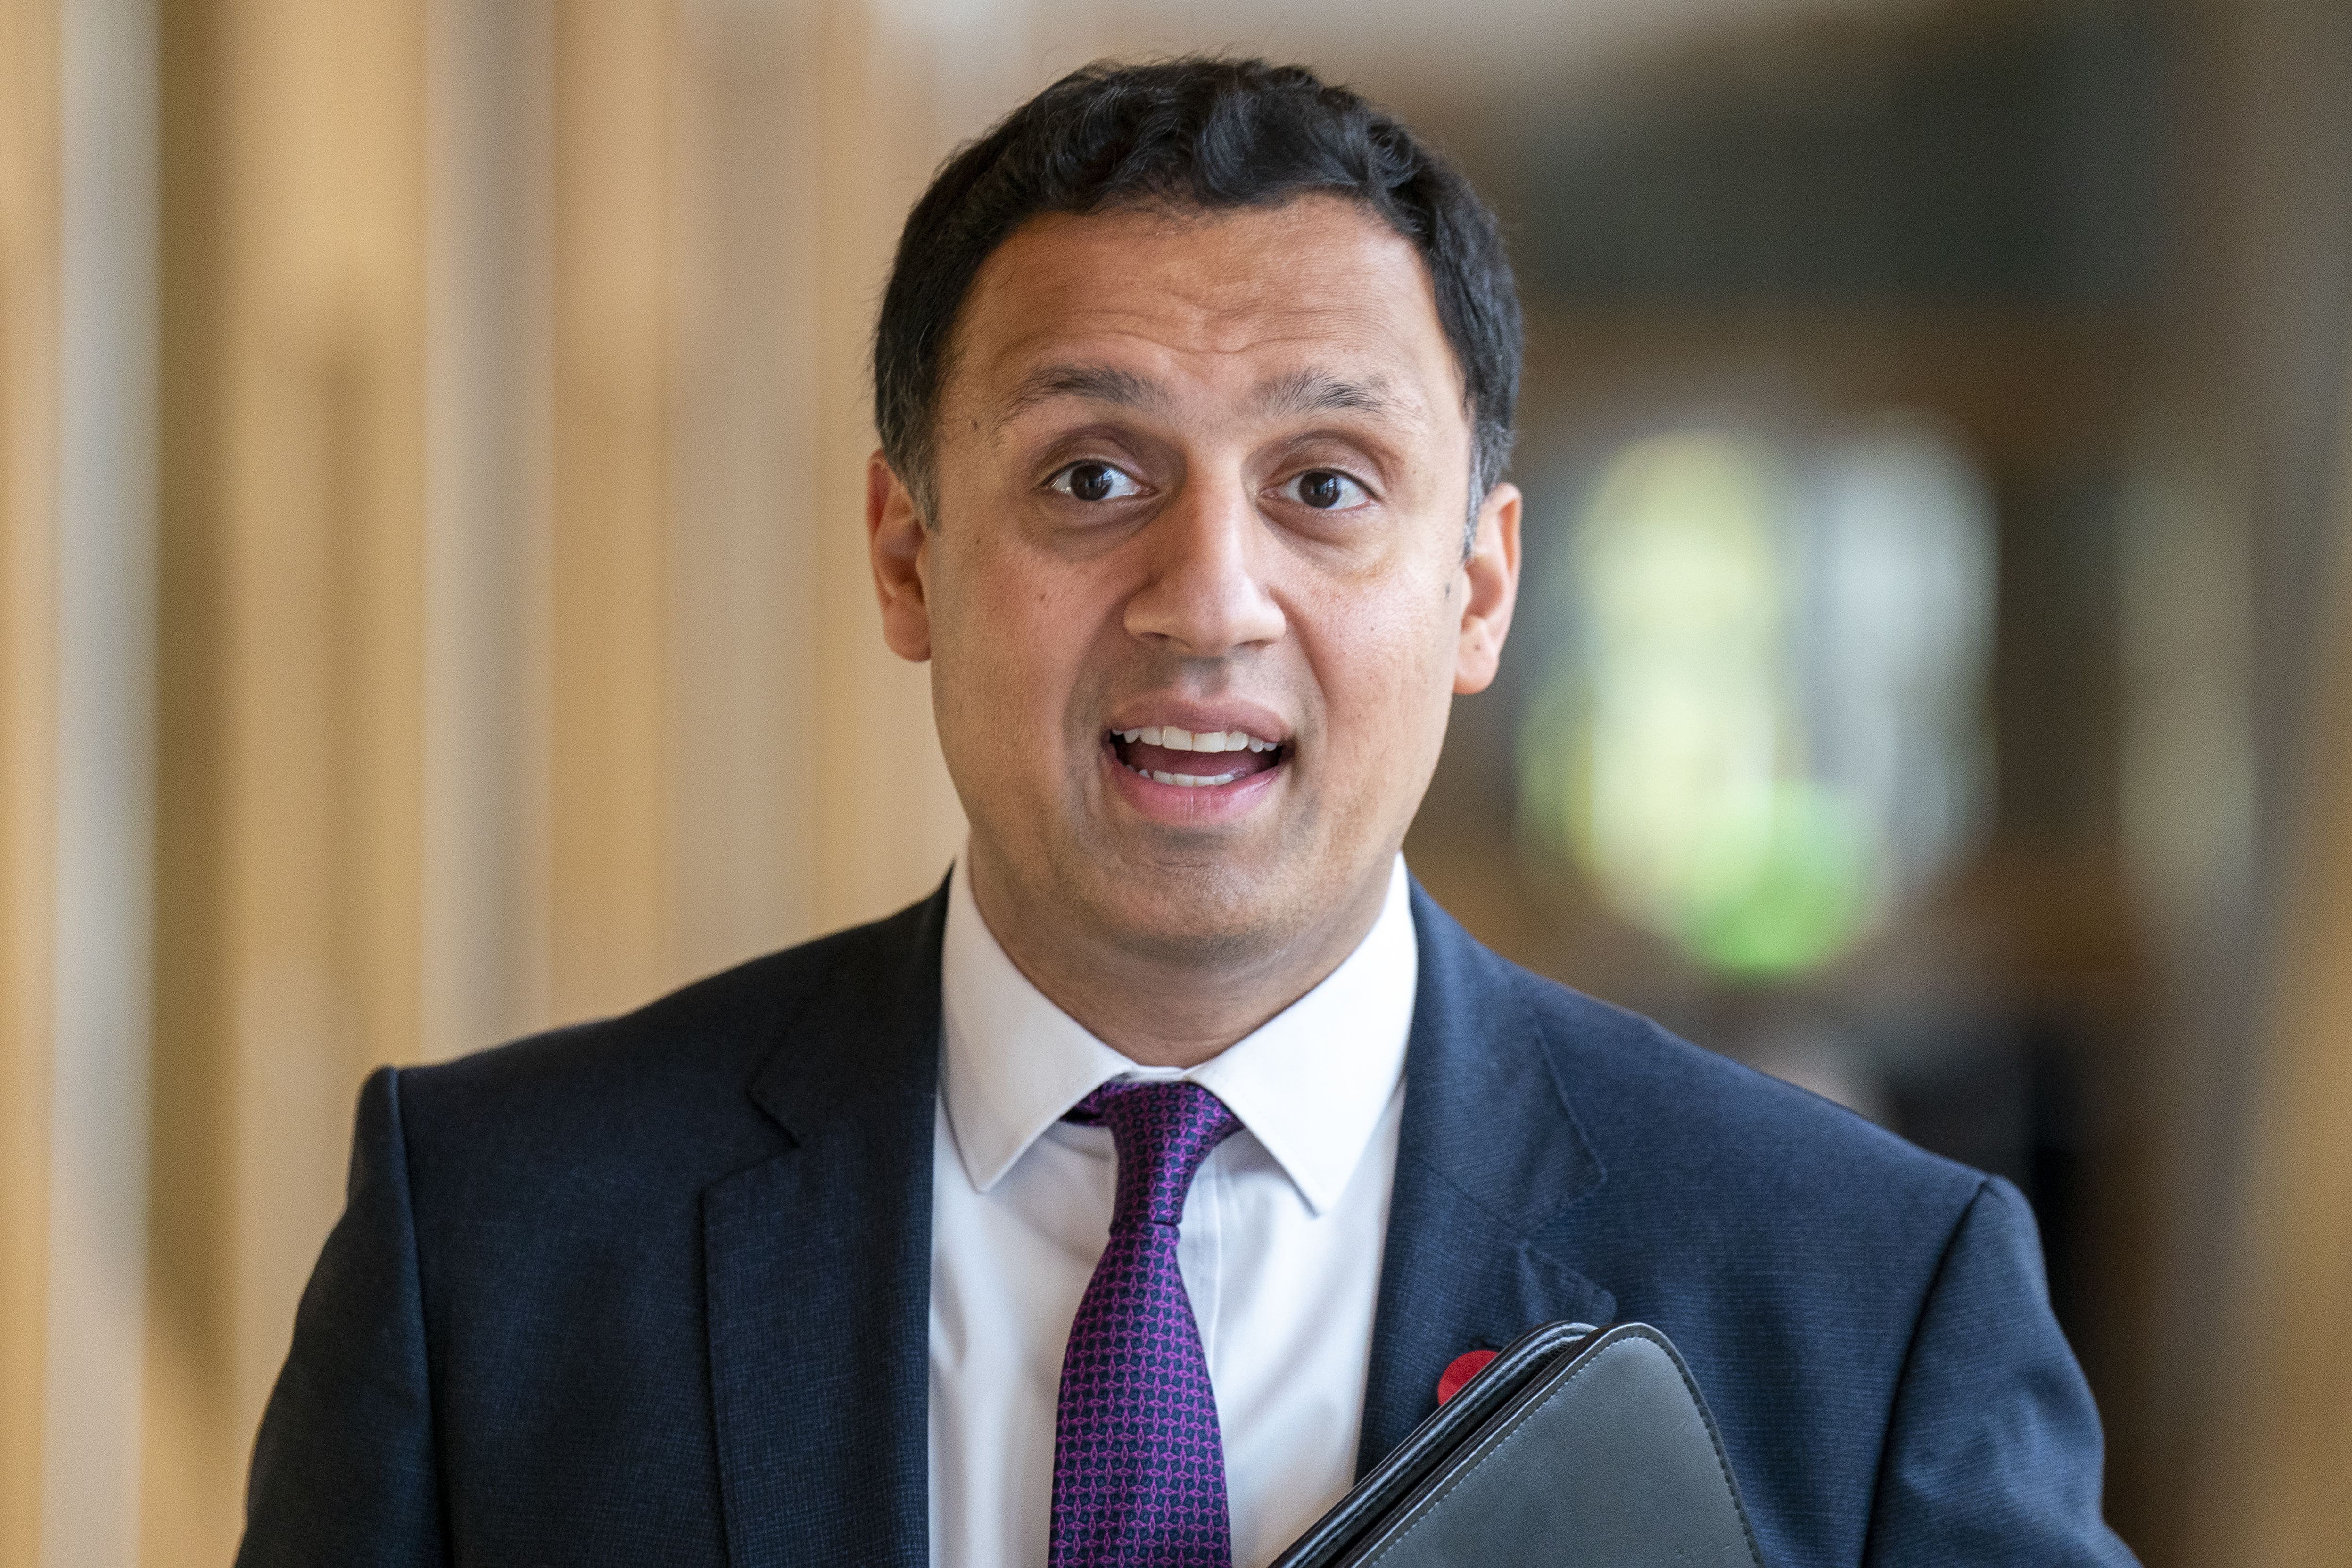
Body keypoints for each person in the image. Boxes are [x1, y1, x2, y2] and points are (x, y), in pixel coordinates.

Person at [237, 57, 2137, 1568]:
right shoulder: (498, 1243)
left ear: (1478, 589)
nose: (1208, 597)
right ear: (906, 553)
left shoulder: (1860, 1300)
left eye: (1324, 484)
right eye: (1089, 472)